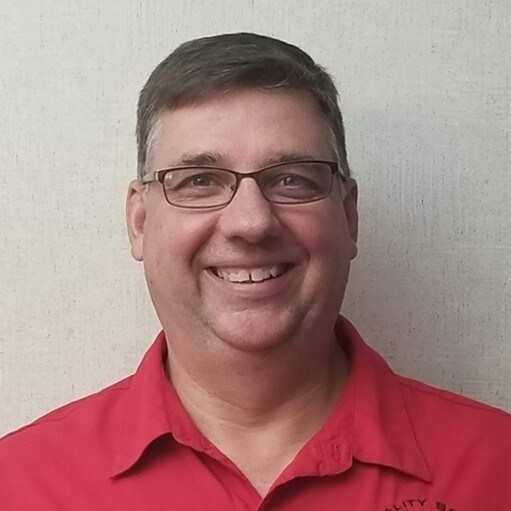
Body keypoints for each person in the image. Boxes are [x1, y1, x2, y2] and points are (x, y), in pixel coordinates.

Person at [0, 32, 509, 510]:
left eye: (292, 179)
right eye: (199, 180)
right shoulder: (21, 483)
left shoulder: (496, 467)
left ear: (349, 216)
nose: (251, 222)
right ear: (139, 221)